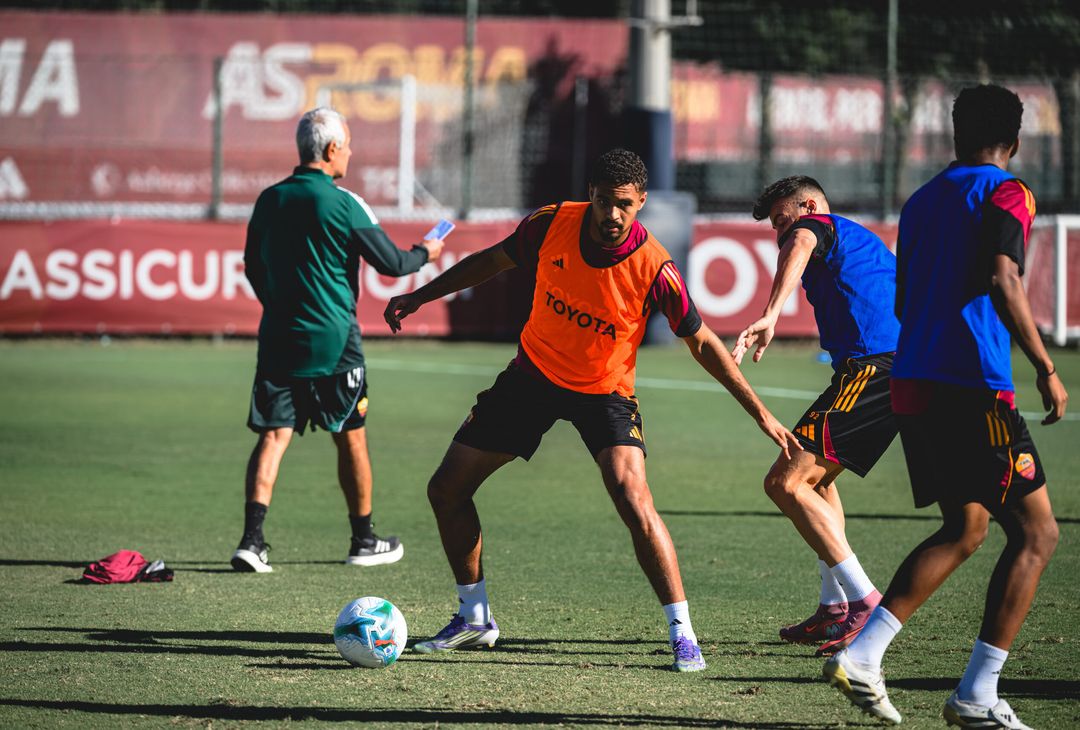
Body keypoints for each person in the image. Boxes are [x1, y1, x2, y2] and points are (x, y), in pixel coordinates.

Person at [383, 148, 801, 672]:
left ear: (642, 202)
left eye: (624, 205)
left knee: (631, 495)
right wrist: (420, 296)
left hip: (605, 392)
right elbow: (491, 261)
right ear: (591, 196)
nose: (612, 215)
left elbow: (703, 343)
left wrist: (761, 414)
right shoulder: (551, 223)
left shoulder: (656, 269)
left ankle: (682, 633)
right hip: (532, 377)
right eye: (603, 202)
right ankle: (473, 618)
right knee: (446, 488)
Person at [824, 84, 1066, 728]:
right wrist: (1045, 366)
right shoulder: (1006, 191)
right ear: (1015, 142)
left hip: (914, 383)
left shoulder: (921, 200)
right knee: (1039, 533)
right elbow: (1004, 277)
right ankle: (976, 692)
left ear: (954, 134)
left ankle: (868, 654)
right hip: (972, 384)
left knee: (968, 528)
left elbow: (904, 303)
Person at [232, 107, 445, 573]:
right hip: (334, 341)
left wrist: (279, 305)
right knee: (351, 437)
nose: (349, 152)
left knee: (272, 436)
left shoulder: (269, 200)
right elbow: (392, 264)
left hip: (279, 338)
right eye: (346, 145)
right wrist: (426, 252)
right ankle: (364, 540)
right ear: (331, 150)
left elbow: (252, 266)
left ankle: (252, 541)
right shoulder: (346, 203)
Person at [733, 177, 900, 656]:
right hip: (869, 368)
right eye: (775, 228)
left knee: (785, 482)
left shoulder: (816, 227)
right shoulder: (848, 238)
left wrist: (770, 314)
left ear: (808, 206)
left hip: (874, 369)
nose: (781, 234)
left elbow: (803, 239)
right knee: (820, 483)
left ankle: (867, 603)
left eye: (782, 221)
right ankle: (835, 607)